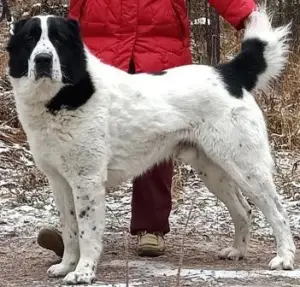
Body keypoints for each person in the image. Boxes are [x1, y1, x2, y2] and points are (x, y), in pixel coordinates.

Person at [37, 0, 257, 258]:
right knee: (78, 147)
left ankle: (151, 228)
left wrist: (246, 14)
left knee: (158, 135)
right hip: (100, 48)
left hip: (159, 46)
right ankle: (72, 234)